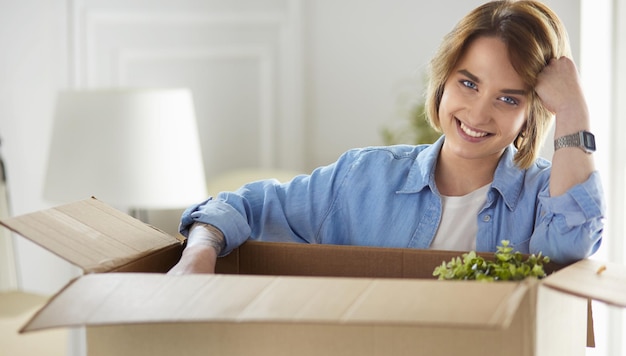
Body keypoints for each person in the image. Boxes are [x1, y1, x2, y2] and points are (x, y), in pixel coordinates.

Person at [168, 0, 605, 275]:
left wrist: (573, 110)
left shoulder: (540, 201)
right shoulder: (363, 179)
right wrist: (198, 253)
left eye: (508, 100)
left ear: (531, 115)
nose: (477, 113)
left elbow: (570, 248)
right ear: (443, 78)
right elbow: (240, 206)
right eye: (468, 84)